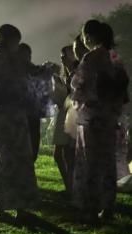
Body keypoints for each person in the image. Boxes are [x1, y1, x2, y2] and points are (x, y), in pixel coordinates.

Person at [71, 20, 129, 222]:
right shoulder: (114, 57)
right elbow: (123, 88)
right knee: (108, 163)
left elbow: (78, 86)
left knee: (90, 163)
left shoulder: (90, 57)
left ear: (89, 37)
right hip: (110, 116)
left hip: (92, 117)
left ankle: (91, 208)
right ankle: (108, 208)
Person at [0, 24, 38, 221]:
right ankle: (20, 207)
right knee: (18, 160)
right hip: (12, 115)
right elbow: (31, 78)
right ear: (11, 41)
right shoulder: (13, 61)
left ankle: (1, 208)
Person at [51, 45, 77, 195]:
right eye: (61, 56)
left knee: (67, 154)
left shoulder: (76, 74)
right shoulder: (66, 76)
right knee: (61, 155)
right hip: (63, 115)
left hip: (70, 116)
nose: (62, 58)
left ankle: (71, 188)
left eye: (64, 55)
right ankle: (70, 186)